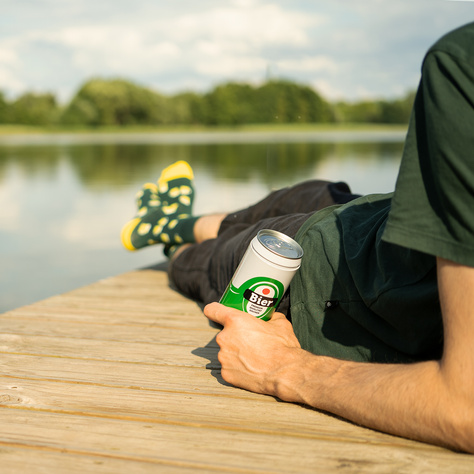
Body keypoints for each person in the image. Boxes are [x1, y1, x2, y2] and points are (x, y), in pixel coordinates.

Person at [121, 22, 474, 452]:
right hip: (375, 218)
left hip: (329, 277)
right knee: (309, 194)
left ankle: (170, 236)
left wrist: (284, 368)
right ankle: (174, 218)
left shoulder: (462, 62)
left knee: (211, 259)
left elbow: (465, 406)